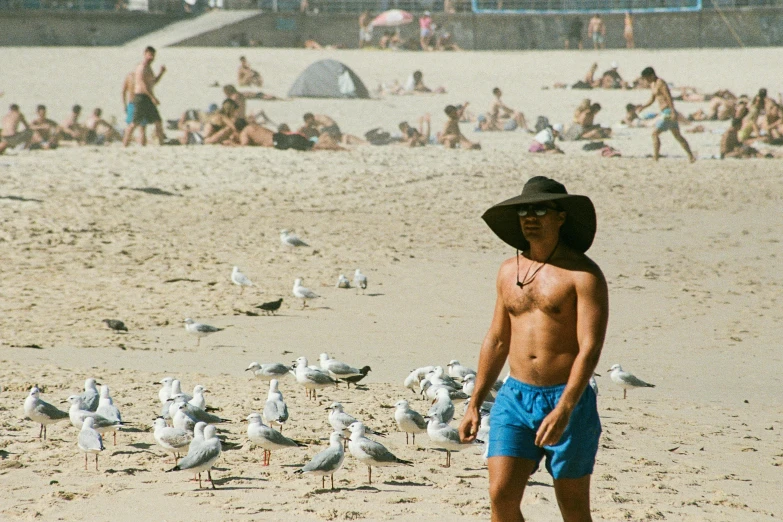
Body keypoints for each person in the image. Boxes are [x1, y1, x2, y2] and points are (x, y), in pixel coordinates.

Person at [460, 176, 607, 522]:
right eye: (524, 209)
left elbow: (590, 347)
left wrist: (565, 408)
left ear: (560, 217)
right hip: (515, 397)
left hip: (567, 400)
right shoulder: (508, 271)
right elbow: (497, 340)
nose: (530, 216)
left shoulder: (583, 275)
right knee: (501, 497)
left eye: (541, 209)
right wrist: (474, 403)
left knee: (572, 508)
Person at [636, 67, 696, 162]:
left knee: (655, 134)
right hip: (664, 112)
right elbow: (652, 99)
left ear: (652, 75)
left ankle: (655, 157)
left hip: (667, 112)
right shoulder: (653, 84)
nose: (646, 80)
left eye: (647, 78)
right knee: (678, 136)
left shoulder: (661, 83)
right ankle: (691, 156)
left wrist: (672, 112)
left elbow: (668, 98)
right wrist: (643, 107)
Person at [123, 46, 166, 147]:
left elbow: (152, 82)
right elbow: (142, 85)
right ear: (145, 54)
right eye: (149, 55)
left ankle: (162, 144)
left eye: (153, 56)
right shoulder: (141, 68)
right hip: (141, 97)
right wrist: (152, 97)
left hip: (147, 97)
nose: (151, 58)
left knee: (158, 121)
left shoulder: (149, 68)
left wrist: (161, 73)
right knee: (135, 123)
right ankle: (125, 144)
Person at [122, 70, 147, 145]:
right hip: (140, 103)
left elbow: (123, 92)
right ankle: (142, 145)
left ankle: (125, 144)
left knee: (131, 126)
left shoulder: (129, 76)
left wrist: (125, 105)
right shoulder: (141, 77)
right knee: (142, 127)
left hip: (131, 103)